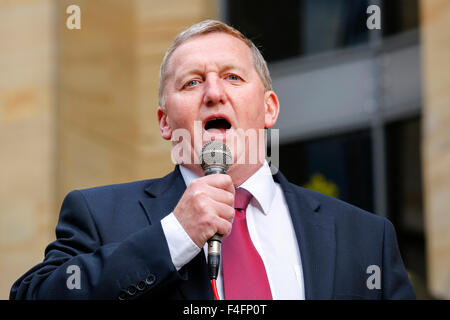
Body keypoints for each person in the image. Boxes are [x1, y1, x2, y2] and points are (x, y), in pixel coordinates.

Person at [10, 20, 415, 300]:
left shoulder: (365, 238)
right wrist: (174, 237)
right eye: (192, 82)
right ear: (165, 122)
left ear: (269, 108)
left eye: (233, 77)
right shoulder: (100, 215)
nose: (214, 93)